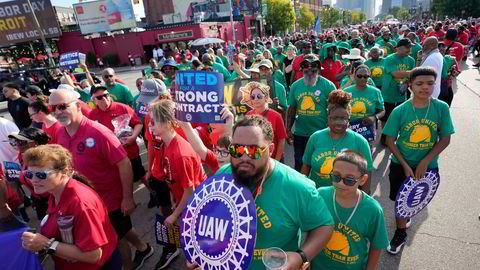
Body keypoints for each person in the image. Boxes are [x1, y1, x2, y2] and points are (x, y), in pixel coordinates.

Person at [203, 115, 334, 270]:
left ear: (270, 150)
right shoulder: (222, 177)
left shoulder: (298, 186)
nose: (244, 157)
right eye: (236, 149)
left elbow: (325, 225)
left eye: (253, 150)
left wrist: (301, 256)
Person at [49, 89, 153, 270]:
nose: (58, 112)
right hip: (85, 202)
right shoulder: (60, 133)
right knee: (121, 230)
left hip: (109, 200)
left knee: (114, 240)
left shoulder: (98, 132)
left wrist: (127, 197)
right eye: (53, 108)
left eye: (63, 106)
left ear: (78, 105)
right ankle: (143, 247)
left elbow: (124, 163)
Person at [383, 67, 455, 254]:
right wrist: (405, 165)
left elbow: (445, 138)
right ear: (410, 86)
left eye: (430, 83)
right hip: (401, 164)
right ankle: (400, 232)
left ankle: (405, 219)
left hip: (428, 166)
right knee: (400, 200)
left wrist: (425, 161)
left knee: (415, 199)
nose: (425, 87)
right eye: (420, 84)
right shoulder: (401, 110)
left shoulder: (441, 108)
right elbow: (390, 140)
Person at [20, 144, 122, 270]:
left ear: (64, 172)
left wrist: (46, 244)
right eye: (29, 174)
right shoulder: (55, 191)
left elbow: (93, 255)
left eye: (41, 175)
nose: (33, 180)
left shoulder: (81, 204)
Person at [149, 99, 206, 269]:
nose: (150, 125)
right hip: (187, 204)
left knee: (198, 253)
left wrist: (174, 215)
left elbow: (191, 191)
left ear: (167, 123)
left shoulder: (180, 154)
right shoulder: (167, 143)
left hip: (199, 208)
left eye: (154, 121)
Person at [312, 151, 389, 270]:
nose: (341, 183)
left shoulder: (372, 210)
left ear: (362, 180)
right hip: (319, 265)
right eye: (336, 176)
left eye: (349, 180)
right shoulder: (321, 195)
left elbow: (377, 245)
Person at [300, 90, 373, 191]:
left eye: (343, 118)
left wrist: (363, 200)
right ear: (328, 117)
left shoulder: (360, 142)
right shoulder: (315, 138)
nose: (339, 123)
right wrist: (303, 192)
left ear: (349, 118)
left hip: (347, 198)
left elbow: (367, 172)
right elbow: (306, 165)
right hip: (317, 196)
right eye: (334, 118)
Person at [89, 85, 147, 188]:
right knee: (121, 181)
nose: (104, 98)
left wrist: (133, 137)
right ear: (94, 100)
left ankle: (154, 194)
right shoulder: (92, 115)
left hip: (129, 151)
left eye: (106, 95)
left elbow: (138, 123)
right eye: (99, 97)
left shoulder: (122, 107)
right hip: (109, 157)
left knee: (141, 174)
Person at [287, 54, 337, 172]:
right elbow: (292, 109)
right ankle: (301, 190)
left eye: (313, 66)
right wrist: (288, 129)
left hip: (322, 133)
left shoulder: (328, 85)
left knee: (319, 165)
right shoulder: (296, 86)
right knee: (299, 164)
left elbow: (334, 109)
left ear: (319, 68)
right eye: (306, 66)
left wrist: (333, 131)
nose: (309, 69)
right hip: (300, 134)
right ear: (302, 68)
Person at [8, 128, 51, 221]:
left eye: (22, 142)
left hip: (51, 201)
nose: (18, 145)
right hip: (39, 202)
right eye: (17, 141)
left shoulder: (46, 160)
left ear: (34, 143)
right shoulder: (25, 157)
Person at [380, 38, 415, 144]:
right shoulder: (389, 59)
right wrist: (412, 73)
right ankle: (384, 137)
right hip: (388, 94)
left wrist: (407, 82)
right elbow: (395, 73)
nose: (409, 50)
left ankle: (395, 139)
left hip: (401, 94)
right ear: (399, 48)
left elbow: (411, 78)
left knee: (400, 118)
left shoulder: (410, 60)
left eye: (410, 47)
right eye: (407, 47)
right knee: (386, 118)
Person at [245, 81, 287, 161]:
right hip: (255, 159)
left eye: (259, 96)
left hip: (273, 159)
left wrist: (276, 162)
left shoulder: (276, 116)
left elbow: (282, 140)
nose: (256, 99)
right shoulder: (248, 115)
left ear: (266, 98)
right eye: (253, 97)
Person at [438, 42, 460, 106]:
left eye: (443, 46)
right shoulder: (432, 59)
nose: (441, 48)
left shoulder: (451, 59)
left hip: (447, 88)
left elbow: (456, 73)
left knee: (446, 108)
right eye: (439, 46)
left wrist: (453, 73)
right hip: (436, 88)